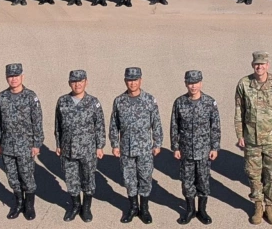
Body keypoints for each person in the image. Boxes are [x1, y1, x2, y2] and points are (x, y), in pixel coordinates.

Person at [234, 51, 272, 225]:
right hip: (252, 138)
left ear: (268, 65)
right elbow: (239, 111)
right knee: (253, 174)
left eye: (263, 64)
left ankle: (270, 206)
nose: (259, 67)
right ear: (253, 65)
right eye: (257, 64)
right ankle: (258, 206)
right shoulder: (244, 83)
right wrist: (240, 135)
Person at [110, 67, 163, 224]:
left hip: (145, 148)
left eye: (135, 79)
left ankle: (144, 209)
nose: (132, 83)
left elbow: (156, 123)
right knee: (129, 179)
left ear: (141, 80)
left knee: (145, 177)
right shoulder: (119, 101)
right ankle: (133, 207)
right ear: (125, 81)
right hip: (126, 148)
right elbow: (114, 124)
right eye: (129, 80)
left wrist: (157, 143)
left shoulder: (149, 99)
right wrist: (114, 144)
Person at [0, 63, 43, 221]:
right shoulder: (1, 97)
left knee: (27, 177)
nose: (13, 79)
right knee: (12, 178)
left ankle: (29, 206)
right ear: (7, 78)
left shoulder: (30, 96)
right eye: (10, 76)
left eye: (16, 76)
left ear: (22, 77)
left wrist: (36, 144)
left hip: (26, 146)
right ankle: (18, 203)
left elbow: (37, 121)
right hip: (7, 145)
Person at [55, 70, 106, 222]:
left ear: (86, 82)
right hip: (68, 148)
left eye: (80, 81)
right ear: (69, 83)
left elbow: (100, 126)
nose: (77, 84)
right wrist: (58, 144)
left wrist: (100, 146)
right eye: (74, 81)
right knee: (71, 179)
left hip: (88, 149)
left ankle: (86, 208)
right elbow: (58, 125)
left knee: (88, 178)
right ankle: (75, 205)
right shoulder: (62, 101)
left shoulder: (93, 102)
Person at [171, 70, 221, 225]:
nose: (193, 86)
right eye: (190, 83)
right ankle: (190, 210)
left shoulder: (209, 102)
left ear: (201, 83)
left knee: (204, 181)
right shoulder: (179, 102)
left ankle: (202, 210)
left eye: (196, 83)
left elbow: (215, 126)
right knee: (187, 182)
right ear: (186, 84)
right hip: (186, 150)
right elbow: (174, 126)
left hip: (204, 151)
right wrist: (175, 147)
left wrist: (215, 147)